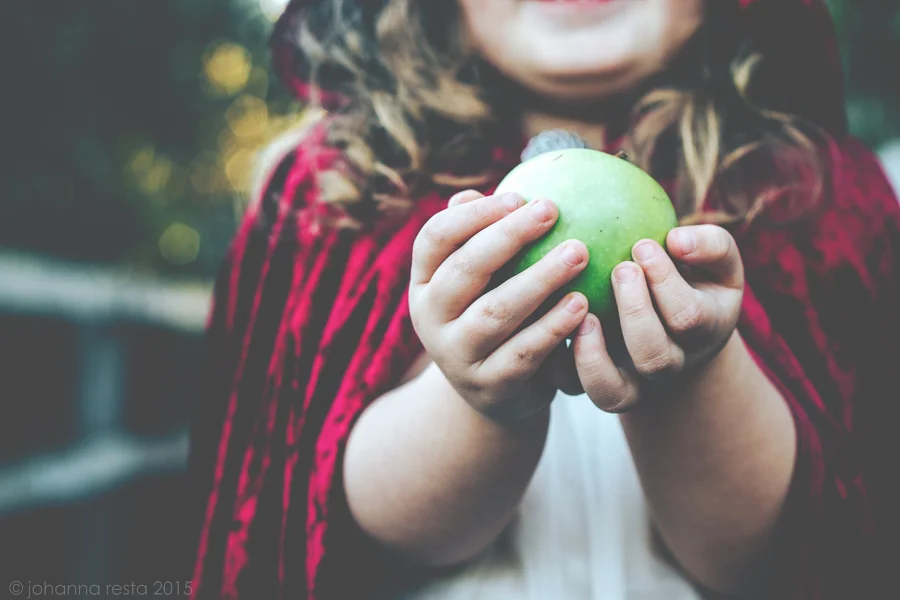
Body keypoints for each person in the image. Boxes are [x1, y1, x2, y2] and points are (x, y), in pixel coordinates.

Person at [188, 1, 900, 599]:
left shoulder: (809, 194)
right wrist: (480, 398)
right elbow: (341, 526)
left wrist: (693, 371)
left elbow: (788, 555)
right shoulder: (342, 193)